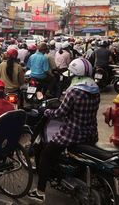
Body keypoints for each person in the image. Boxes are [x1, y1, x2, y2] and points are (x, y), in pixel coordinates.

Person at [28, 58, 100, 203]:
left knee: (46, 155)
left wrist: (46, 111)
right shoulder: (95, 90)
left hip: (71, 134)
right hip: (91, 133)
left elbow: (60, 113)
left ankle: (40, 191)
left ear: (75, 75)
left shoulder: (73, 92)